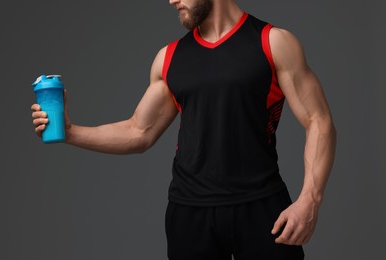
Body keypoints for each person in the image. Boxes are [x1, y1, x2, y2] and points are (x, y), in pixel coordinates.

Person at [31, 0, 336, 259]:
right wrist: (70, 132)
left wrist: (310, 199)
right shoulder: (169, 58)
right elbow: (139, 132)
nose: (171, 0)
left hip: (263, 209)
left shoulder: (273, 42)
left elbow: (318, 120)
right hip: (190, 213)